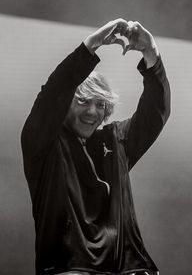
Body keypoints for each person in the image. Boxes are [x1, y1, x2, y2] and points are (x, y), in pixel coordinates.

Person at [21, 19, 171, 275]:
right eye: (84, 101)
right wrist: (92, 45)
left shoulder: (115, 140)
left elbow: (155, 113)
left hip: (130, 269)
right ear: (65, 104)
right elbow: (51, 94)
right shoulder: (45, 143)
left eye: (100, 104)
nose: (93, 111)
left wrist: (150, 51)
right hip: (71, 268)